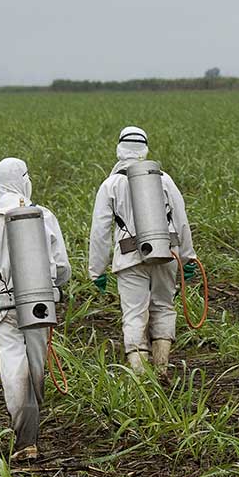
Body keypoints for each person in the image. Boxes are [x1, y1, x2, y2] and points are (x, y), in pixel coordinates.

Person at [0, 158, 71, 462]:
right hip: (40, 301)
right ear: (25, 179)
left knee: (13, 364)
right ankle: (32, 420)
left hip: (4, 305)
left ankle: (25, 438)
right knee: (36, 365)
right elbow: (62, 265)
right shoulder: (45, 215)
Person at [89, 126, 197, 374]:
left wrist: (97, 270)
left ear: (119, 149)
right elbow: (181, 221)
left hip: (129, 259)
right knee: (163, 306)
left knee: (134, 314)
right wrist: (188, 257)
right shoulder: (164, 178)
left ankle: (140, 377)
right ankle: (161, 369)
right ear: (145, 148)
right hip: (166, 253)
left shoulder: (111, 184)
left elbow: (100, 232)